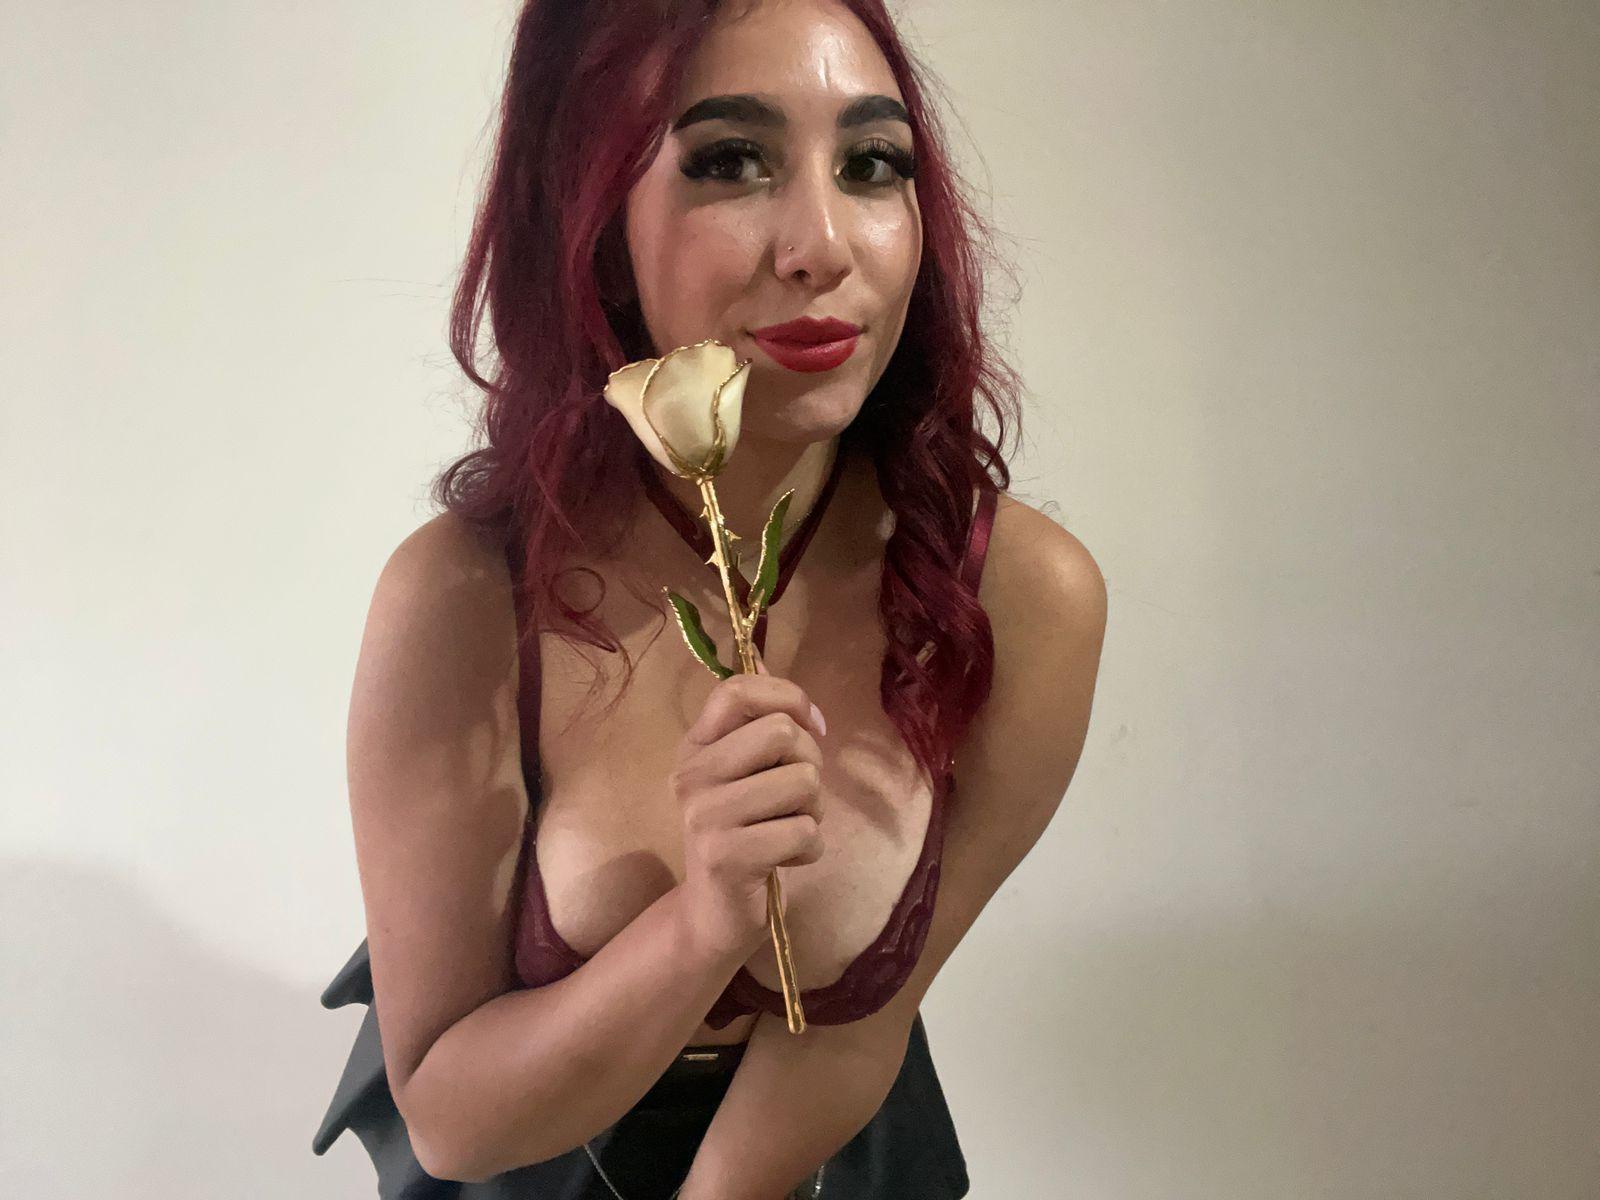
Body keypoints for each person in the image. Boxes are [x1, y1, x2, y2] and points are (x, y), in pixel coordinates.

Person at [312, 0, 1108, 1196]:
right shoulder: (468, 600)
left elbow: (854, 1027)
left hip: (827, 1155)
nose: (822, 246)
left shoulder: (1015, 597)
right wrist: (701, 922)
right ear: (589, 214)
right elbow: (453, 1124)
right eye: (731, 161)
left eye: (871, 164)